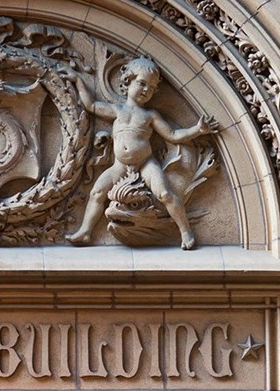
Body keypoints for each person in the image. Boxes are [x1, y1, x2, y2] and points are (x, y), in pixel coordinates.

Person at [66, 56, 217, 249]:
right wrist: (78, 80)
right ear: (127, 81)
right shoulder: (117, 110)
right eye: (142, 83)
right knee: (97, 191)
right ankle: (85, 231)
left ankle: (185, 231)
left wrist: (197, 129)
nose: (146, 90)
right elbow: (91, 105)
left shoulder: (150, 116)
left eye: (152, 88)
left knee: (165, 194)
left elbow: (173, 135)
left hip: (146, 163)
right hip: (120, 166)